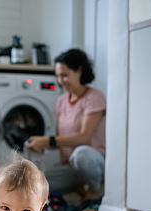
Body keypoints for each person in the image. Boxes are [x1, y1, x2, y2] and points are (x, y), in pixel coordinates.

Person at [26, 48, 106, 201]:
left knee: (81, 154)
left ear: (79, 71)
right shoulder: (62, 100)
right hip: (71, 167)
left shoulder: (94, 97)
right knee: (36, 184)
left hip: (93, 162)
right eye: (58, 76)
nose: (60, 81)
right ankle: (81, 191)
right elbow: (58, 140)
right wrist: (39, 142)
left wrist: (48, 140)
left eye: (64, 75)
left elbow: (84, 137)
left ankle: (95, 191)